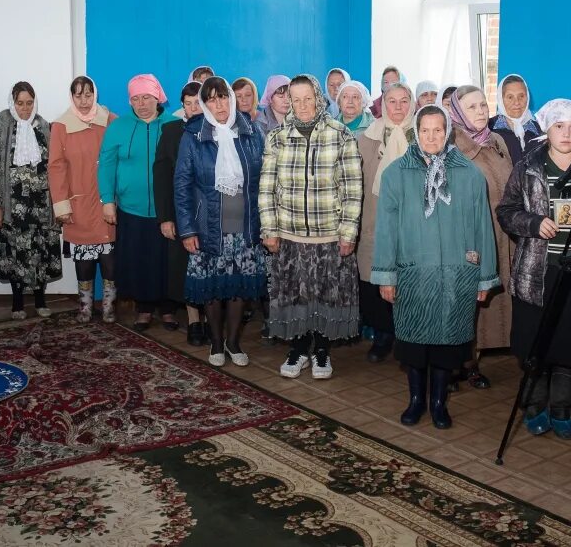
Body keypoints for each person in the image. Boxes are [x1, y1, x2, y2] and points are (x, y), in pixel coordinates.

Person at [496, 98, 571, 440]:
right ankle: (535, 404)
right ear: (547, 129)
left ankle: (562, 408)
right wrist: (533, 222)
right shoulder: (528, 165)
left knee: (569, 345)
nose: (567, 133)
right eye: (559, 126)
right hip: (536, 271)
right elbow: (506, 210)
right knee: (535, 343)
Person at [373, 105, 499, 428]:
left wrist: (484, 279)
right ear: (417, 132)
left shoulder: (469, 174)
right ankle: (416, 400)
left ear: (448, 132)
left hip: (456, 275)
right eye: (425, 130)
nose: (432, 137)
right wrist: (386, 275)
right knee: (414, 343)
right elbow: (385, 230)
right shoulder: (395, 174)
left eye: (438, 130)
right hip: (413, 273)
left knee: (447, 344)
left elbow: (483, 226)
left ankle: (439, 402)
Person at [259, 74, 362, 379]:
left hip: (329, 235)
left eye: (308, 98)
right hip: (289, 235)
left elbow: (352, 188)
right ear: (288, 100)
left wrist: (348, 233)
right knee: (296, 296)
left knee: (325, 296)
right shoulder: (277, 137)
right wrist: (270, 229)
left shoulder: (340, 134)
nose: (302, 105)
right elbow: (266, 187)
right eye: (296, 99)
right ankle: (299, 348)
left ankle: (322, 351)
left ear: (319, 99)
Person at [175, 76, 266, 366]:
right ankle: (215, 344)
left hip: (246, 226)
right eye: (212, 99)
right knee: (212, 289)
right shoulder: (193, 135)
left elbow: (265, 181)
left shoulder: (252, 132)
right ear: (204, 103)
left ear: (232, 98)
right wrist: (187, 229)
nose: (219, 104)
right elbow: (182, 185)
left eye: (223, 97)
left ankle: (234, 343)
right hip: (208, 228)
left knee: (238, 288)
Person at [99, 73, 178, 330]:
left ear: (158, 98)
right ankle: (143, 308)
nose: (141, 103)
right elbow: (107, 165)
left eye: (146, 97)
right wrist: (107, 200)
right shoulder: (118, 127)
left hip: (165, 210)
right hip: (131, 209)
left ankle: (168, 309)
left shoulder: (173, 125)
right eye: (135, 98)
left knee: (166, 262)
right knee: (138, 260)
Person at [449, 85, 514, 388]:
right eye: (472, 106)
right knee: (464, 300)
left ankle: (474, 357)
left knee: (488, 300)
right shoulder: (451, 145)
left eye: (483, 105)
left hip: (502, 232)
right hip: (469, 235)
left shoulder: (497, 139)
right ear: (458, 111)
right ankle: (457, 363)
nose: (480, 111)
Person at [0, 82, 62, 319]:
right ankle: (17, 303)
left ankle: (40, 300)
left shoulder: (45, 129)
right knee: (15, 253)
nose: (25, 108)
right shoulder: (1, 130)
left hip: (40, 205)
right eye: (20, 103)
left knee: (40, 250)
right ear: (12, 102)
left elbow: (56, 167)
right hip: (12, 207)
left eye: (29, 103)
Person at [48, 76, 118, 323]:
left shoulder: (111, 121)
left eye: (88, 94)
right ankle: (85, 307)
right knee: (84, 262)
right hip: (77, 205)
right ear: (72, 97)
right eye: (79, 95)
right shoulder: (60, 125)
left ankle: (109, 306)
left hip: (106, 203)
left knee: (110, 262)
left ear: (95, 94)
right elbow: (56, 167)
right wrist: (61, 205)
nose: (84, 100)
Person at [358, 82, 415, 362]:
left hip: (410, 219)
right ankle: (383, 333)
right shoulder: (366, 137)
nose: (398, 107)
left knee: (407, 277)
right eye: (392, 101)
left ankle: (407, 335)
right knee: (374, 276)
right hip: (374, 215)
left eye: (404, 101)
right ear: (382, 105)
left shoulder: (422, 134)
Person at [155, 81, 208, 343]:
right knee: (187, 267)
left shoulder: (221, 131)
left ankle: (212, 319)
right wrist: (165, 217)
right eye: (188, 104)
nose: (193, 108)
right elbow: (162, 177)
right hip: (182, 213)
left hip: (212, 215)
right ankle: (194, 321)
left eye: (198, 102)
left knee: (210, 266)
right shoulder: (172, 131)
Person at [488, 74, 542, 164]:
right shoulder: (489, 129)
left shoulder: (540, 131)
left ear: (527, 97)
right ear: (501, 99)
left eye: (521, 96)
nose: (516, 102)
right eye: (510, 97)